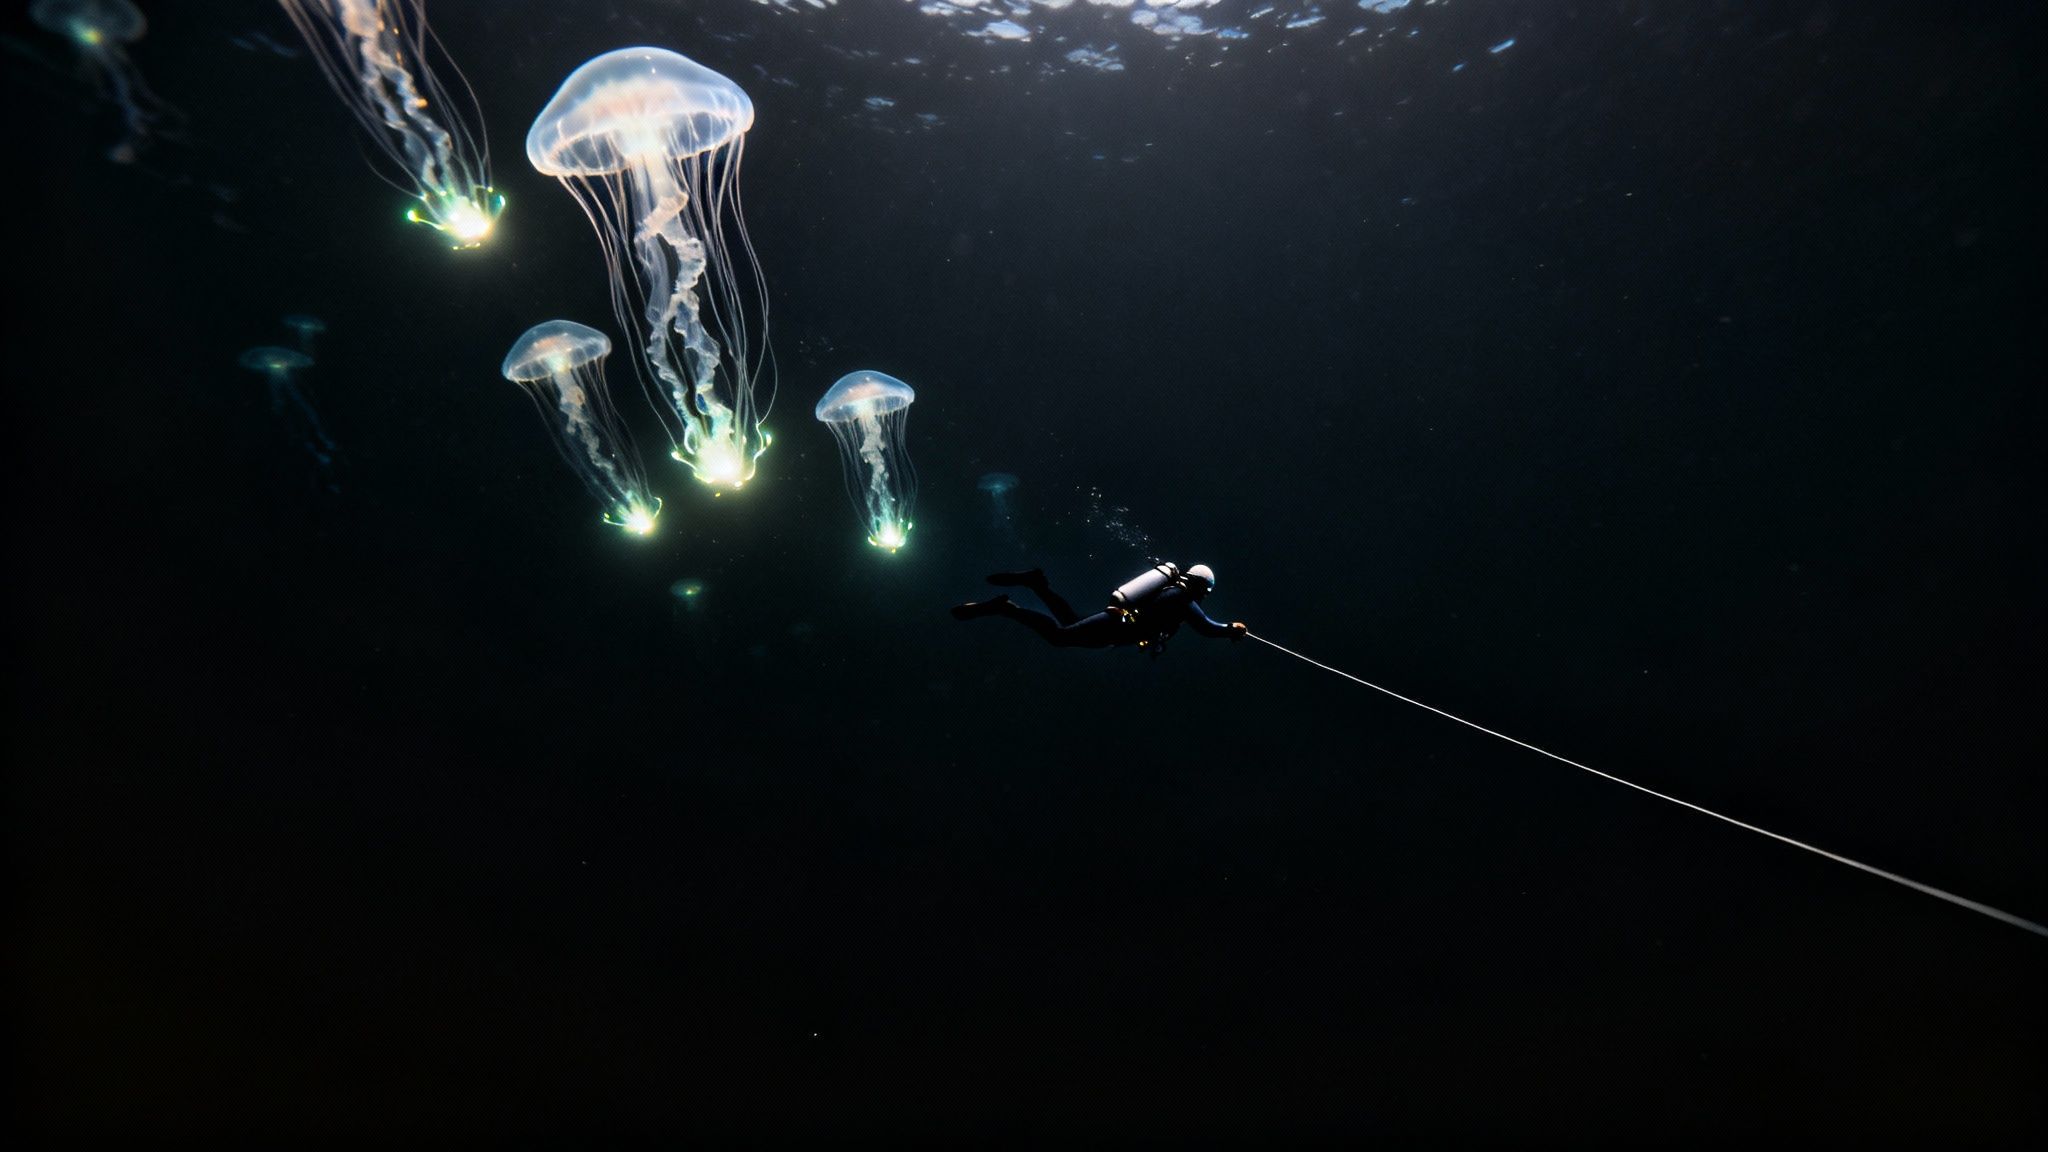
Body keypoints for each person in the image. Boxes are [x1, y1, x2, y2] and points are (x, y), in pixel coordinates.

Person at [951, 563, 1247, 650]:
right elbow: (1207, 628)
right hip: (1115, 626)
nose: (1204, 597)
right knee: (1060, 637)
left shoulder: (1174, 596)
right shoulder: (1181, 599)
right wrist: (1230, 629)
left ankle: (1036, 583)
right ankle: (1007, 608)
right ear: (1198, 586)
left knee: (1069, 619)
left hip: (1114, 625)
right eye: (1205, 591)